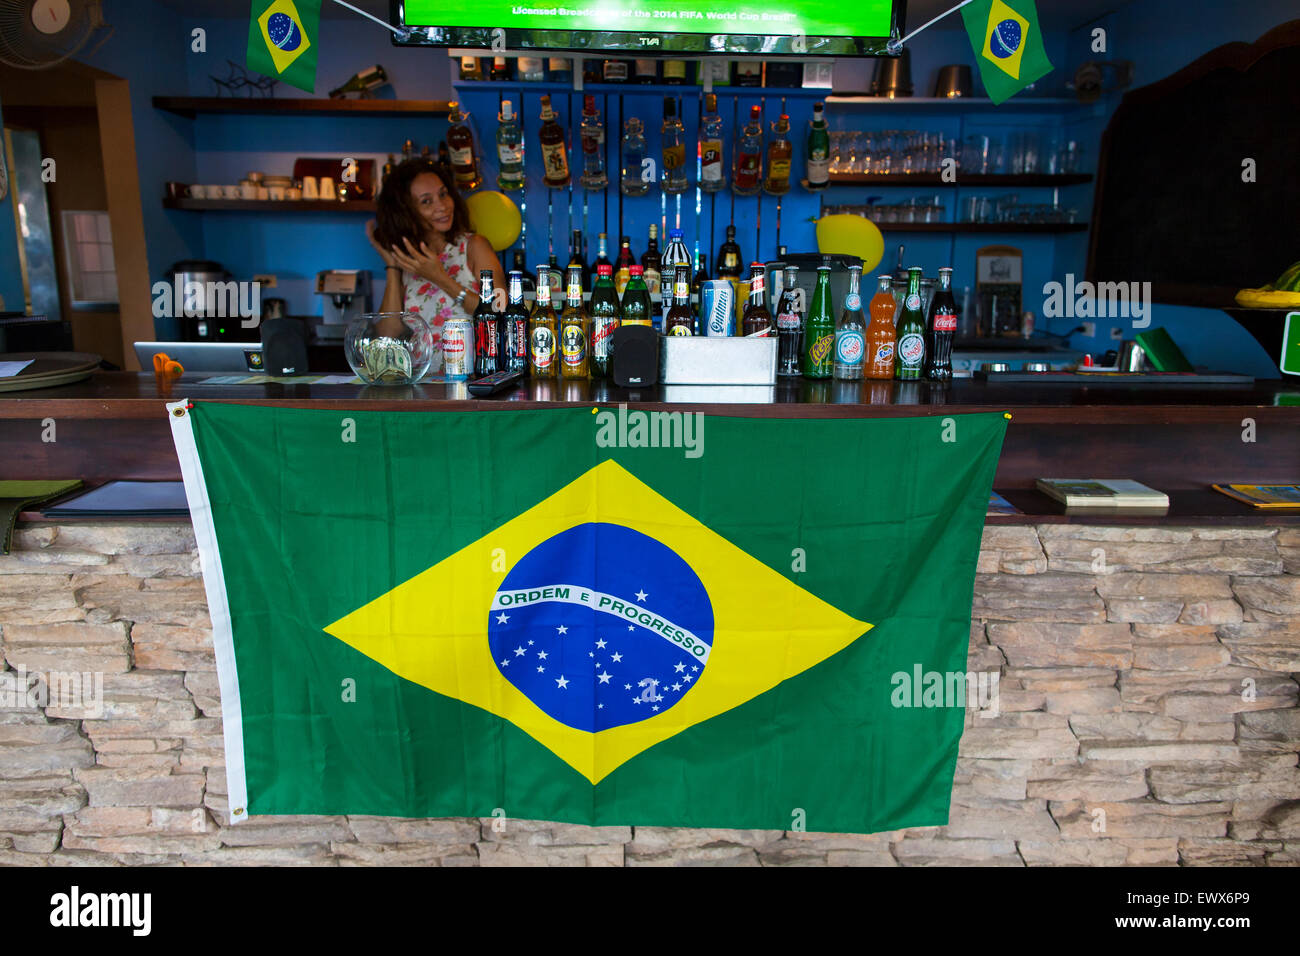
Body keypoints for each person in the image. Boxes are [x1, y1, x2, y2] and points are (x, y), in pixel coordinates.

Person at [366, 159, 505, 362]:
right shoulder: (408, 260)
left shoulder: (474, 246)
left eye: (443, 194)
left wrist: (439, 278)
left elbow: (500, 314)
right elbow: (388, 336)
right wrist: (392, 265)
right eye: (426, 201)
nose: (442, 206)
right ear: (406, 212)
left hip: (473, 382)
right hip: (422, 385)